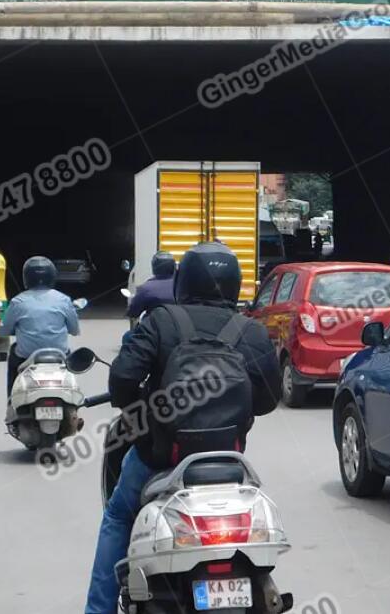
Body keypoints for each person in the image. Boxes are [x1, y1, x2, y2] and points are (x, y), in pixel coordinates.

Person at [85, 241, 281, 614]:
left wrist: (147, 409)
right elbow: (268, 400)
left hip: (159, 458)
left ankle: (99, 610)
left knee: (117, 516)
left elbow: (122, 381)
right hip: (228, 464)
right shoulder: (251, 333)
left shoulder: (161, 321)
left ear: (184, 280)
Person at [0, 256, 80, 398]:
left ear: (26, 278)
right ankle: (73, 402)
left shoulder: (18, 301)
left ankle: (11, 402)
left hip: (26, 357)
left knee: (12, 352)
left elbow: (3, 330)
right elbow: (74, 330)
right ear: (52, 276)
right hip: (59, 355)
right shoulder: (64, 300)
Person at [126, 251, 176, 323]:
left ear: (154, 267)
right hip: (181, 328)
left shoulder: (145, 288)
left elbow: (133, 312)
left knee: (128, 334)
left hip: (154, 329)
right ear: (173, 266)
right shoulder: (183, 286)